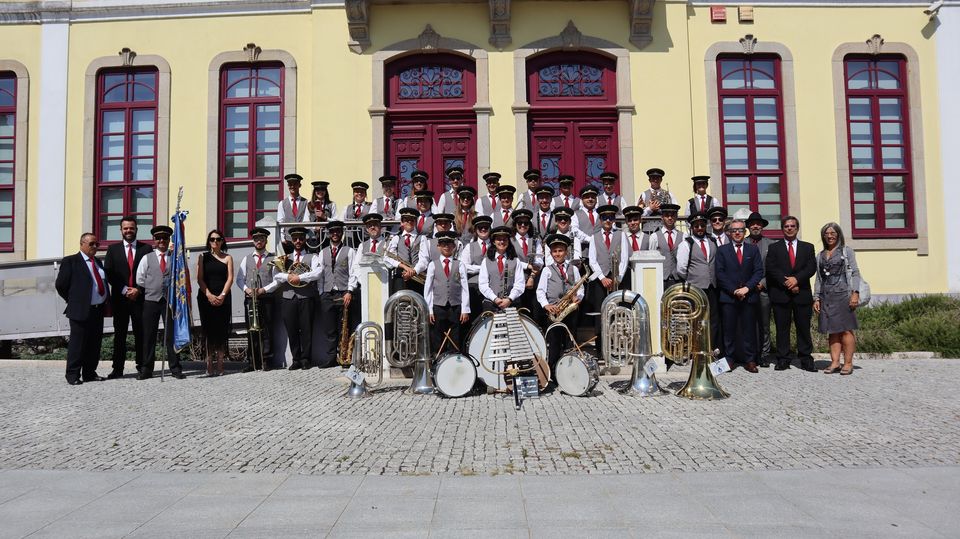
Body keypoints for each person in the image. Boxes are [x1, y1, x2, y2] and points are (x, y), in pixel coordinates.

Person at [56, 233, 110, 385]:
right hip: (80, 310)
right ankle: (72, 375)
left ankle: (90, 373)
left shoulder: (97, 262)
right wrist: (73, 300)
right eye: (91, 244)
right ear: (82, 244)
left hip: (97, 309)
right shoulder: (71, 261)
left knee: (94, 344)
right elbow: (61, 285)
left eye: (96, 244)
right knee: (78, 344)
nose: (95, 247)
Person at [103, 216, 152, 379]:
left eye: (131, 228)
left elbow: (151, 273)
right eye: (126, 228)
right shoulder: (112, 249)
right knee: (120, 335)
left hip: (140, 299)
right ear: (121, 230)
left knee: (141, 334)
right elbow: (109, 273)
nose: (128, 231)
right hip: (120, 300)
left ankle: (142, 366)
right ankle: (117, 368)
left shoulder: (146, 249)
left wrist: (138, 289)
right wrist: (124, 290)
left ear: (136, 229)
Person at [766, 216, 817, 372]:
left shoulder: (808, 247)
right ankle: (783, 359)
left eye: (792, 226)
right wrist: (787, 282)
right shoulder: (774, 248)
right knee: (782, 328)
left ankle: (806, 358)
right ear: (782, 229)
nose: (789, 228)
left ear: (797, 228)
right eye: (786, 226)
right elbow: (771, 268)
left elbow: (811, 268)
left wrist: (796, 279)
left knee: (803, 328)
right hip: (781, 294)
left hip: (802, 293)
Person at [135, 226, 186, 380]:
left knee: (171, 336)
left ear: (169, 239)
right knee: (148, 335)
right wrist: (153, 288)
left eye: (165, 238)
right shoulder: (147, 258)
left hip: (169, 301)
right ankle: (146, 369)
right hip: (151, 300)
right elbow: (140, 279)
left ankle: (175, 368)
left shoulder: (175, 258)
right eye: (158, 238)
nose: (162, 241)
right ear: (154, 241)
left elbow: (180, 278)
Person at [715, 219, 764, 372]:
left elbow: (758, 272)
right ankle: (729, 359)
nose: (737, 233)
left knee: (749, 329)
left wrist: (747, 289)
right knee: (729, 330)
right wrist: (734, 290)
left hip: (748, 296)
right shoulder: (722, 250)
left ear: (745, 232)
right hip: (729, 297)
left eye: (741, 230)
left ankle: (750, 359)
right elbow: (720, 273)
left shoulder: (752, 250)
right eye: (734, 230)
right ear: (729, 233)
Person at [814, 222, 860, 376]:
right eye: (827, 233)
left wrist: (855, 293)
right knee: (832, 331)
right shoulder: (820, 255)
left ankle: (848, 363)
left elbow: (855, 273)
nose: (830, 236)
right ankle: (834, 362)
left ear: (838, 234)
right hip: (826, 296)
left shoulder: (847, 252)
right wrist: (816, 298)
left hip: (843, 295)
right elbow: (819, 279)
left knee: (846, 329)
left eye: (833, 233)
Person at [273, 227, 321, 370]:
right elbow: (275, 274)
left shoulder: (313, 257)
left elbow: (317, 273)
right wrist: (288, 277)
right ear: (291, 240)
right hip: (288, 297)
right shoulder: (285, 258)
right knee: (291, 329)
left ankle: (306, 359)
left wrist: (299, 277)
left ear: (305, 239)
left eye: (301, 238)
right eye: (295, 239)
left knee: (307, 329)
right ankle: (296, 359)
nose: (298, 241)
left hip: (306, 297)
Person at [676, 212, 722, 356]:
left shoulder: (713, 241)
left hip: (713, 287)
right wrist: (693, 279)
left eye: (702, 225)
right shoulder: (686, 244)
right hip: (695, 288)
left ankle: (712, 349)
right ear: (692, 227)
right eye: (697, 226)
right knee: (695, 320)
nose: (700, 228)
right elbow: (681, 268)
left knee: (713, 319)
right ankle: (694, 350)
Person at [537, 234, 584, 371]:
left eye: (561, 250)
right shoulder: (547, 270)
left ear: (566, 252)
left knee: (570, 340)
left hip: (570, 310)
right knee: (555, 341)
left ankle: (570, 370)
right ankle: (553, 369)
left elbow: (580, 287)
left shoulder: (573, 269)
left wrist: (578, 298)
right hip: (555, 311)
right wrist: (547, 305)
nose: (558, 254)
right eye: (555, 251)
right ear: (551, 253)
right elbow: (540, 291)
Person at [587, 205, 629, 355]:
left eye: (611, 217)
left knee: (617, 313)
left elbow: (624, 258)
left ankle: (616, 346)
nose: (608, 220)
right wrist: (602, 277)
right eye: (605, 217)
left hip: (617, 280)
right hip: (600, 281)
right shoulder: (594, 237)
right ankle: (601, 349)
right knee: (601, 314)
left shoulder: (621, 235)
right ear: (600, 219)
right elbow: (592, 260)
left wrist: (618, 278)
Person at [314, 220, 357, 368]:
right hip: (327, 293)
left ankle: (345, 357)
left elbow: (353, 272)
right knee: (329, 328)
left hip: (343, 293)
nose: (335, 234)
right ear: (329, 234)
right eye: (332, 232)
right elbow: (320, 274)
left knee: (344, 327)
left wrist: (349, 291)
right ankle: (331, 358)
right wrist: (321, 292)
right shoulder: (322, 252)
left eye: (338, 231)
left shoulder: (349, 251)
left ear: (341, 233)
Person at [236, 227, 279, 372]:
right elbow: (239, 279)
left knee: (266, 329)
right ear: (253, 241)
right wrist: (247, 289)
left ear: (266, 240)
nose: (258, 241)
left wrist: (263, 289)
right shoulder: (246, 259)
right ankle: (252, 361)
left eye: (261, 239)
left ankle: (266, 360)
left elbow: (277, 280)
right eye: (256, 239)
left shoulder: (273, 258)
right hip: (250, 298)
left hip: (266, 298)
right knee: (251, 330)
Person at [424, 231, 471, 355]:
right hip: (438, 306)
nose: (446, 246)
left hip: (455, 306)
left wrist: (465, 309)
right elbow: (428, 289)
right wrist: (429, 310)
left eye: (449, 243)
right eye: (443, 244)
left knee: (455, 335)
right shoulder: (432, 265)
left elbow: (464, 287)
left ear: (454, 246)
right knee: (437, 335)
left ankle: (454, 359)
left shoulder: (460, 264)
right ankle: (438, 359)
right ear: (438, 246)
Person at [196, 229, 234, 376]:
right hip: (206, 298)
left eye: (218, 239)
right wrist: (209, 295)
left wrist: (222, 295)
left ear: (222, 241)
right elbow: (199, 278)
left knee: (221, 330)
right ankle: (209, 364)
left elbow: (230, 278)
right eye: (212, 239)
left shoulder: (228, 258)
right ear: (209, 241)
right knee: (208, 330)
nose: (215, 242)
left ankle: (220, 363)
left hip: (223, 297)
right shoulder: (202, 257)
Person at [746, 212, 776, 366]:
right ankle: (750, 353)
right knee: (747, 323)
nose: (755, 226)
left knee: (764, 324)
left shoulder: (771, 245)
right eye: (752, 224)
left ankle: (764, 354)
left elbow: (774, 268)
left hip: (763, 290)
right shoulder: (742, 242)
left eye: (758, 223)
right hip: (746, 290)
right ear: (748, 227)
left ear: (762, 226)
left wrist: (763, 283)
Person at [478, 226, 526, 314]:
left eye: (505, 239)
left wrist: (510, 299)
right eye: (499, 239)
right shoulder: (486, 261)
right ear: (493, 242)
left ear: (508, 241)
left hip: (511, 304)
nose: (502, 242)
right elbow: (483, 284)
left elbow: (520, 284)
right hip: (491, 304)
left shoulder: (516, 261)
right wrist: (494, 298)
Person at [461, 215, 492, 323]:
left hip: (491, 286)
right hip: (474, 286)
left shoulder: (496, 245)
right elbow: (464, 266)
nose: (483, 229)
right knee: (474, 318)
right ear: (476, 230)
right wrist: (483, 268)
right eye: (480, 227)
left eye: (486, 227)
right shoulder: (470, 246)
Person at [385, 207, 424, 295]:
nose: (409, 222)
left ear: (415, 222)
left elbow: (424, 260)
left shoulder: (422, 238)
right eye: (406, 220)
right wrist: (403, 266)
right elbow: (387, 257)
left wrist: (413, 271)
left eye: (412, 220)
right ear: (402, 222)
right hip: (400, 277)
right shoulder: (396, 238)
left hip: (417, 278)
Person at [645, 203, 684, 289]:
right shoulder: (654, 237)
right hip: (661, 279)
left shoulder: (683, 236)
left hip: (678, 279)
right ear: (662, 217)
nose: (670, 218)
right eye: (667, 215)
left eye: (672, 215)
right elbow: (652, 259)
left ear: (676, 217)